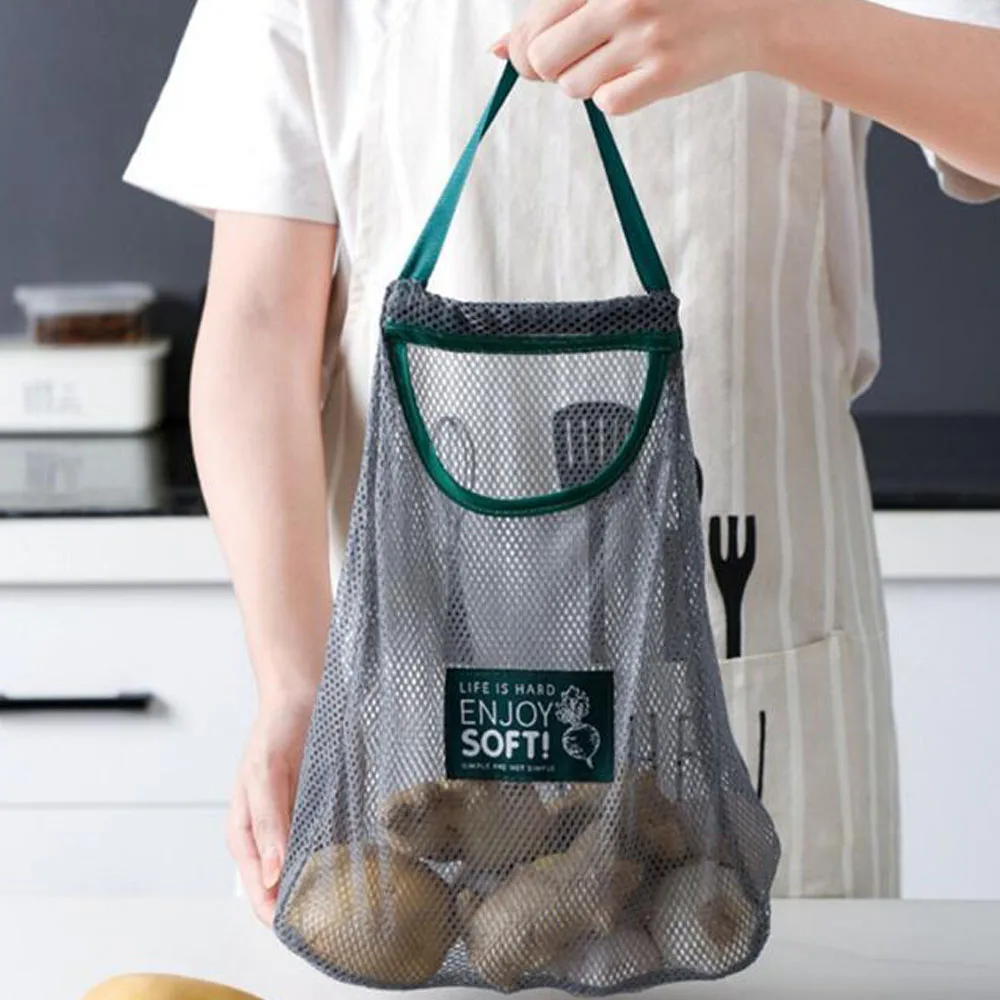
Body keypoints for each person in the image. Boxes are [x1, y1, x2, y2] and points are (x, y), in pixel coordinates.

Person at [124, 0, 1000, 925]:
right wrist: (293, 680)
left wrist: (765, 25)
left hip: (749, 651)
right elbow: (261, 321)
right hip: (412, 693)